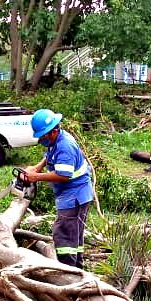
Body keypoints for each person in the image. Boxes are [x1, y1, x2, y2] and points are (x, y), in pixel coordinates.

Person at [22, 109, 94, 268]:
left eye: (43, 136)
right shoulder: (57, 139)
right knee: (75, 234)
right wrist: (37, 167)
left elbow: (64, 175)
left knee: (64, 236)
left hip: (74, 197)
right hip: (74, 194)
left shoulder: (65, 146)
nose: (41, 139)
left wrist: (36, 177)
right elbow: (49, 155)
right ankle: (78, 268)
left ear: (53, 132)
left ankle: (67, 270)